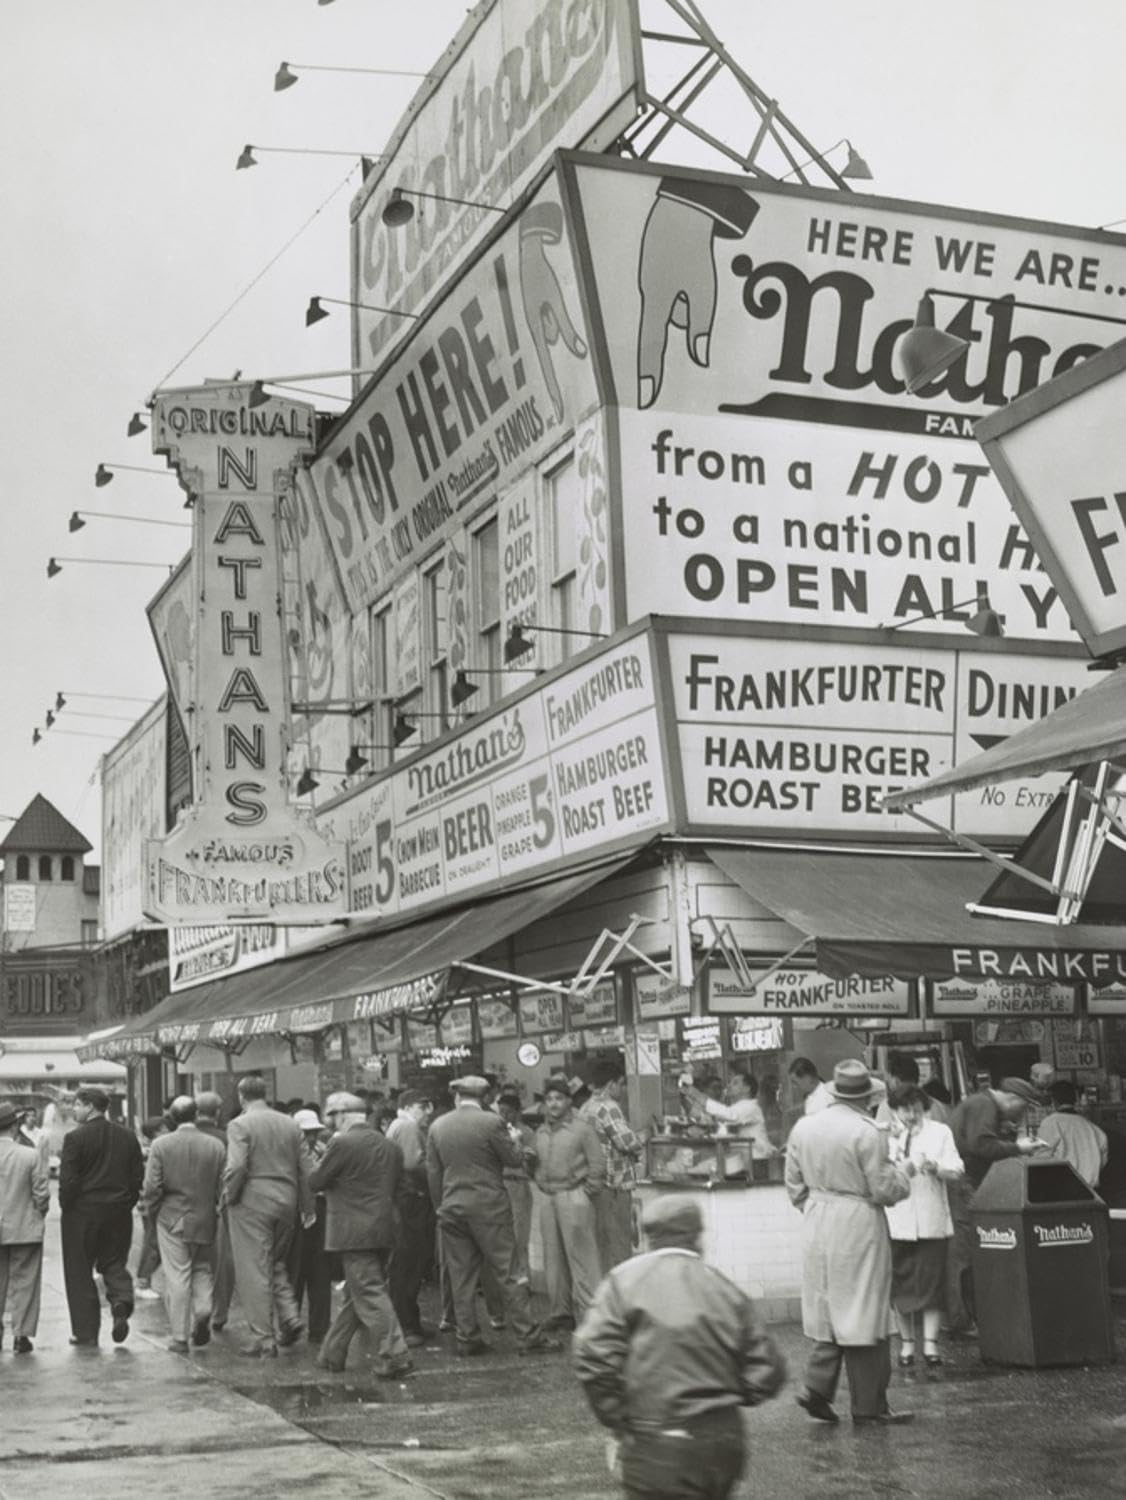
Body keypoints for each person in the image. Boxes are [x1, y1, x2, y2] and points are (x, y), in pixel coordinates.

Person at [573, 1193, 786, 1500]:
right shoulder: (723, 1287)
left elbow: (592, 1355)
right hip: (722, 1442)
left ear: (648, 1237)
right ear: (697, 1237)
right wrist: (727, 1397)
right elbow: (768, 1369)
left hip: (655, 1439)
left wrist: (618, 1417)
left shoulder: (623, 1282)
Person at [785, 1058, 913, 1426]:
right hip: (858, 1221)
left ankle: (818, 1388)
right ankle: (869, 1405)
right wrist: (905, 1173)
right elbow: (883, 1189)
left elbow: (793, 1185)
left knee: (828, 1307)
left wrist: (815, 1206)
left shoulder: (803, 1127)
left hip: (817, 1217)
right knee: (865, 1309)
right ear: (866, 1098)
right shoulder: (869, 1132)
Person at [426, 1074, 559, 1357]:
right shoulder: (491, 1122)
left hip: (452, 1208)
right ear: (485, 1098)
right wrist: (516, 1140)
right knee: (509, 1272)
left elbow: (433, 1172)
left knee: (461, 1276)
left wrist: (441, 1205)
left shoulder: (438, 1126)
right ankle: (527, 1335)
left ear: (457, 1097)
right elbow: (513, 1160)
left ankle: (467, 1335)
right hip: (490, 1207)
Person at [311, 1091, 412, 1377]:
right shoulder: (389, 1145)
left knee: (368, 1292)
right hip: (385, 1229)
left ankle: (395, 1354)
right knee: (360, 1292)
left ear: (342, 1115)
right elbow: (402, 1188)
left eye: (332, 1117)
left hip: (352, 1231)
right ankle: (332, 1352)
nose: (331, 1123)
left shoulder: (341, 1143)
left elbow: (315, 1181)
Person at [223, 1074, 314, 1358]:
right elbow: (307, 1170)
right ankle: (289, 1314)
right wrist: (307, 1207)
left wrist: (230, 1195)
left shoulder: (240, 1124)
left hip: (252, 1201)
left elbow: (237, 1166)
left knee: (254, 1269)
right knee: (274, 1262)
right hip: (286, 1201)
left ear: (241, 1096)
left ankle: (263, 1337)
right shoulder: (290, 1124)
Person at [947, 1076, 1046, 1333]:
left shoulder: (980, 1103)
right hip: (965, 1183)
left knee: (965, 1250)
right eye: (1023, 1107)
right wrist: (1018, 1147)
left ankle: (965, 1316)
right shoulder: (984, 1105)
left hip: (965, 1182)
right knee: (966, 1251)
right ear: (1013, 1099)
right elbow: (981, 1145)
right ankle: (962, 1318)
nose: (1022, 1113)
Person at [882, 1084, 964, 1374]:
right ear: (895, 1109)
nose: (911, 1114)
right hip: (897, 1220)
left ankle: (930, 1344)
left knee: (932, 1283)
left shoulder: (940, 1132)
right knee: (900, 1284)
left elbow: (957, 1169)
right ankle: (906, 1344)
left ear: (923, 1107)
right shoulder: (887, 1135)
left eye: (916, 1108)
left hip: (931, 1220)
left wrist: (935, 1167)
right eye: (904, 1109)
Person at [58, 1085, 144, 1347]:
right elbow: (136, 1177)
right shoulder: (128, 1137)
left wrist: (67, 1205)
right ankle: (121, 1301)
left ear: (90, 1106)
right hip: (117, 1210)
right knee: (114, 1261)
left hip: (82, 1212)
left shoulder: (75, 1138)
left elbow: (69, 1181)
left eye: (77, 1104)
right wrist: (125, 1202)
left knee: (79, 1269)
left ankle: (86, 1331)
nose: (74, 1109)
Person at [139, 1095, 226, 1353]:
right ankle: (203, 1310)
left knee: (177, 1274)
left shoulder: (161, 1145)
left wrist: (151, 1210)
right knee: (201, 1268)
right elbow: (223, 1185)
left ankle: (179, 1336)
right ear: (196, 1114)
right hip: (205, 1216)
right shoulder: (215, 1146)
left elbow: (152, 1186)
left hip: (171, 1216)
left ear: (172, 1118)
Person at [534, 1075, 606, 1330]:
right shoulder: (541, 1131)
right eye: (549, 1099)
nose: (553, 1104)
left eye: (559, 1099)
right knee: (552, 1258)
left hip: (574, 1194)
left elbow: (597, 1163)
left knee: (582, 1257)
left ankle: (591, 1315)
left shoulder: (582, 1129)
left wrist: (587, 1191)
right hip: (548, 1196)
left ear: (568, 1101)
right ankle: (560, 1312)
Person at [581, 1060, 646, 1272]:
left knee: (602, 1244)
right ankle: (621, 1291)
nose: (624, 1089)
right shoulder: (608, 1107)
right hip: (614, 1186)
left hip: (595, 1184)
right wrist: (646, 1136)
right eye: (622, 1084)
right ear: (611, 1085)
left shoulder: (585, 1107)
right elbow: (626, 1142)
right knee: (619, 1243)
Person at [387, 1089, 437, 1347]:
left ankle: (409, 1321)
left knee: (406, 1266)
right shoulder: (407, 1128)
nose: (427, 1112)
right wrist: (437, 1171)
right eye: (422, 1106)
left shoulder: (399, 1126)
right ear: (406, 1106)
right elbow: (412, 1165)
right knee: (409, 1265)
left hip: (405, 1202)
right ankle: (406, 1325)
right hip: (411, 1202)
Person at [0, 1099, 50, 1353]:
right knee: (25, 1282)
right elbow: (41, 1194)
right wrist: (38, 1213)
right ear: (14, 1126)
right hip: (25, 1227)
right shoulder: (29, 1155)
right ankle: (21, 1335)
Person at [287, 1107, 332, 1346]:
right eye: (306, 1132)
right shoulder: (288, 1155)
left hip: (321, 1213)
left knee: (320, 1274)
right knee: (294, 1273)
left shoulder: (325, 1152)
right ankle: (289, 1326)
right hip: (296, 1215)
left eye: (314, 1132)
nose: (311, 1137)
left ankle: (320, 1329)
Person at [679, 1070, 775, 1176]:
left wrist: (696, 1094)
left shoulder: (751, 1107)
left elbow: (730, 1115)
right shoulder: (737, 1107)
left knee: (698, 1171)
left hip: (756, 1163)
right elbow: (718, 1122)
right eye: (730, 1082)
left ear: (747, 1089)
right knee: (695, 1170)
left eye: (735, 1083)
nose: (729, 1086)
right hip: (740, 1160)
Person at [194, 1091, 234, 1333]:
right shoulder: (225, 1138)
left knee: (191, 1264)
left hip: (186, 1209)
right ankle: (219, 1313)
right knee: (221, 1264)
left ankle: (199, 1308)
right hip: (219, 1206)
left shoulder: (180, 1137)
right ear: (217, 1112)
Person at [1038, 1080, 1108, 1190]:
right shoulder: (1094, 1129)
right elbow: (1102, 1162)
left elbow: (1041, 1158)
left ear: (1053, 1101)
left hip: (1063, 1190)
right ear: (1075, 1100)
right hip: (1092, 1192)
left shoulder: (1050, 1123)